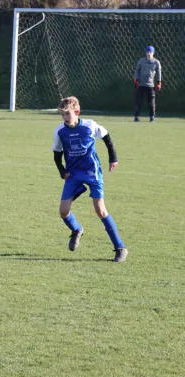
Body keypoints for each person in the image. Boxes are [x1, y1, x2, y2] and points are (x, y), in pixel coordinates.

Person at [51, 96, 128, 262]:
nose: (65, 118)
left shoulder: (90, 125)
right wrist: (62, 171)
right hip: (73, 174)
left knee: (100, 210)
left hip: (92, 172)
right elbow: (57, 154)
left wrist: (113, 158)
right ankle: (77, 229)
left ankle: (120, 248)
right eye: (62, 115)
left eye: (68, 114)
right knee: (63, 211)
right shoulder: (60, 131)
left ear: (77, 112)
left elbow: (107, 138)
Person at [133, 45, 162, 122]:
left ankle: (152, 117)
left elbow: (159, 73)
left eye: (150, 52)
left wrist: (158, 83)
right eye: (147, 52)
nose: (149, 53)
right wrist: (136, 81)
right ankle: (136, 117)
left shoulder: (156, 62)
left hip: (150, 85)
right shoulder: (141, 61)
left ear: (153, 53)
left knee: (151, 102)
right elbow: (137, 70)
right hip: (141, 84)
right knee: (139, 101)